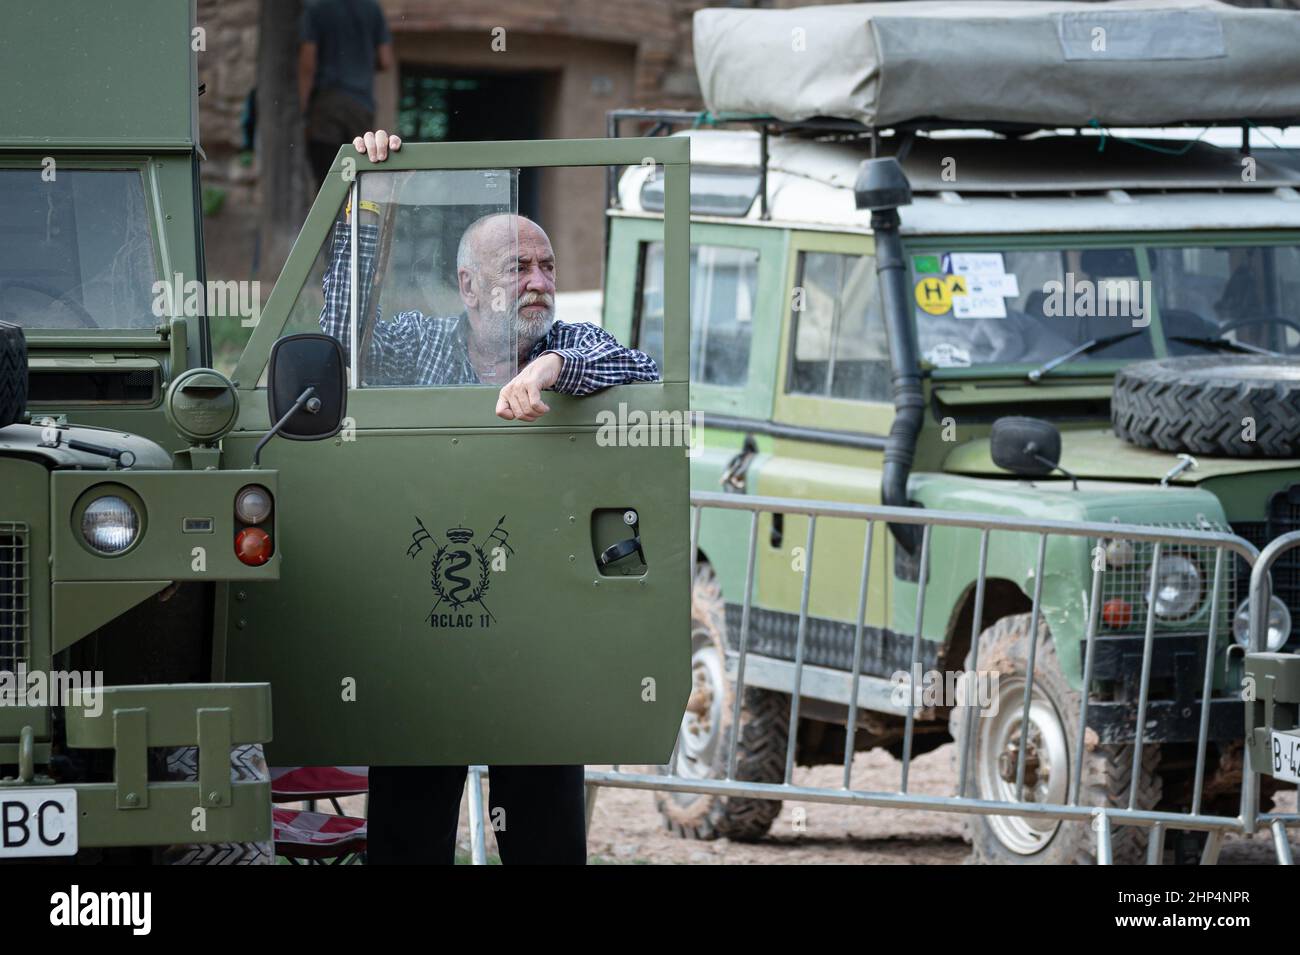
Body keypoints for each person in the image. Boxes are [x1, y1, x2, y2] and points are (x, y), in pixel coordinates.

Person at [321, 131, 660, 864]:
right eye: (518, 266)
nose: (539, 279)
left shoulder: (572, 340)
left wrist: (546, 371)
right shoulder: (415, 344)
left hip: (534, 640)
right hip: (424, 634)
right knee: (408, 836)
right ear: (470, 285)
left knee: (544, 840)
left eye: (547, 264)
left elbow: (637, 362)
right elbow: (340, 337)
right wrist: (373, 193)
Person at [299, 1, 394, 189]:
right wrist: (361, 61)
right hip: (360, 106)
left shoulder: (316, 8)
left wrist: (303, 110)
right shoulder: (372, 9)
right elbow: (385, 60)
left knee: (327, 183)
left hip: (327, 106)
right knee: (359, 180)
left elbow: (307, 64)